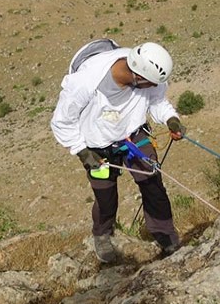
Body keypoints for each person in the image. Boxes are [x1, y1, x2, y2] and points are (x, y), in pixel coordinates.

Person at [50, 41, 186, 263]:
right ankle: (102, 234)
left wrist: (171, 119)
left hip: (134, 134)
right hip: (97, 146)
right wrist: (82, 152)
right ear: (137, 76)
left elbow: (158, 101)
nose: (153, 87)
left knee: (153, 183)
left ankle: (166, 236)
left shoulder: (148, 78)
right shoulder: (86, 83)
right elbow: (62, 121)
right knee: (105, 195)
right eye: (149, 83)